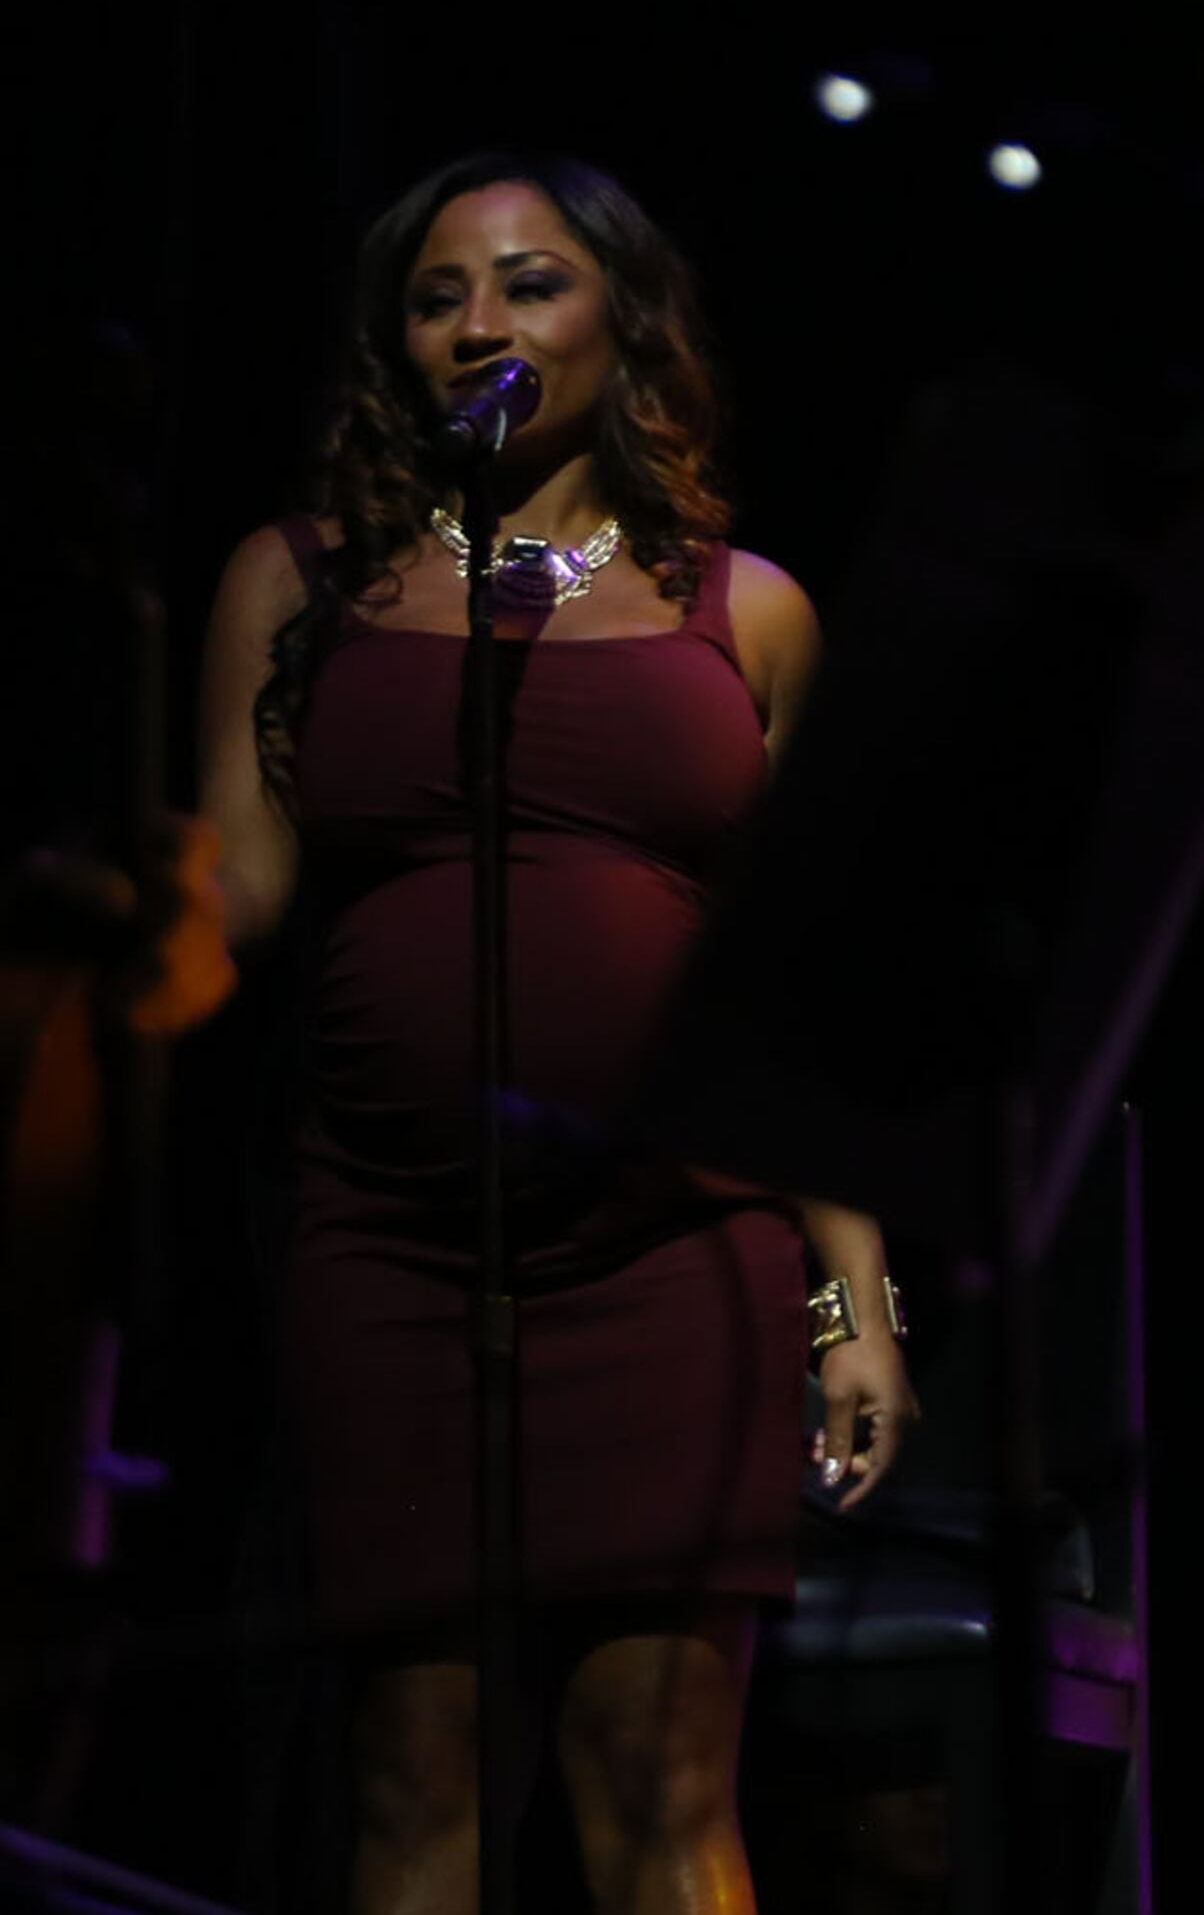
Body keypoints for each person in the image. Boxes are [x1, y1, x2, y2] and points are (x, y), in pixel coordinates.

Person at [194, 154, 918, 1914]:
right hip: (386, 1247)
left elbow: (807, 997)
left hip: (677, 1254)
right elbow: (236, 899)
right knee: (416, 1789)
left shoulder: (743, 611)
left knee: (664, 1790)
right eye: (438, 297)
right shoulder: (300, 585)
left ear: (622, 324)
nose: (479, 328)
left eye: (527, 285)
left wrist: (855, 1298)